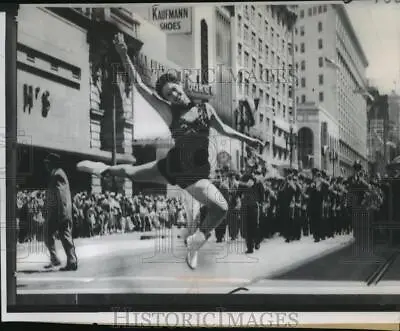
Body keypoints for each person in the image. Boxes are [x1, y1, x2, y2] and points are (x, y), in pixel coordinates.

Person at [78, 33, 262, 269]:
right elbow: (138, 85)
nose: (173, 95)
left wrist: (249, 140)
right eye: (168, 95)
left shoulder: (205, 109)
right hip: (177, 167)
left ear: (181, 87)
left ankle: (196, 241)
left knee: (221, 208)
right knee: (133, 173)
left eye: (174, 90)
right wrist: (124, 53)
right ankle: (103, 169)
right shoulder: (170, 113)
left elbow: (225, 129)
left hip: (194, 173)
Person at [44, 153, 78, 271]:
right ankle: (55, 259)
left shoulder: (58, 174)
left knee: (65, 236)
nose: (46, 166)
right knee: (49, 234)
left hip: (60, 212)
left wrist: (61, 213)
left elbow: (61, 195)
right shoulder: (56, 173)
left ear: (53, 163)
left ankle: (72, 261)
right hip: (56, 212)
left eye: (48, 163)